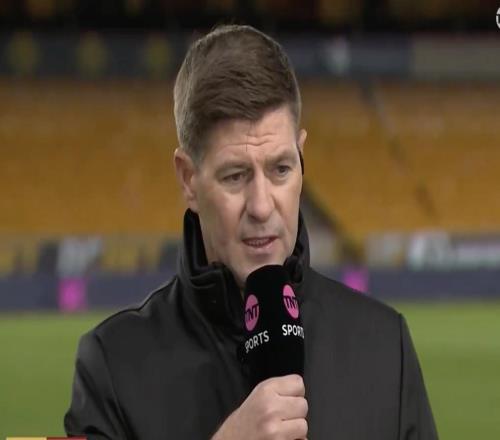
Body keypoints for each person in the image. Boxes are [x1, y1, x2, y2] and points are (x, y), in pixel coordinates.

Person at [64, 24, 438, 440]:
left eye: (280, 169)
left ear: (302, 159)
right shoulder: (111, 365)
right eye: (235, 176)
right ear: (188, 179)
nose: (261, 206)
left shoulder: (386, 346)